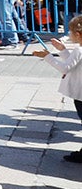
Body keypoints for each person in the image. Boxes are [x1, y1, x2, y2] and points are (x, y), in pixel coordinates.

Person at [34, 16, 82, 163]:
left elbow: (65, 67)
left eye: (71, 32)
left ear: (78, 34)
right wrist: (62, 50)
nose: (69, 34)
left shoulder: (79, 50)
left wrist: (48, 57)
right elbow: (73, 63)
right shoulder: (78, 51)